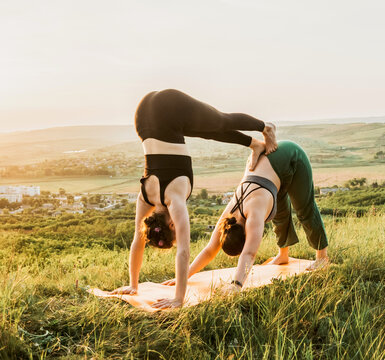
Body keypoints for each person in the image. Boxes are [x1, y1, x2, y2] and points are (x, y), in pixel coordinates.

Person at [109, 89, 277, 309]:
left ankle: (266, 127)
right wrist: (133, 285)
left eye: (175, 234)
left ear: (171, 224)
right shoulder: (146, 195)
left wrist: (179, 298)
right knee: (208, 130)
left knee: (220, 121)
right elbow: (138, 240)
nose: (179, 235)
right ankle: (254, 144)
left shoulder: (174, 199)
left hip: (168, 105)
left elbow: (184, 251)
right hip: (143, 117)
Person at [162, 140, 329, 293]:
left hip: (291, 157)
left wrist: (236, 284)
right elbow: (209, 250)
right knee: (280, 215)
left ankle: (322, 257)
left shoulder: (254, 213)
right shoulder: (228, 216)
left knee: (304, 209)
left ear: (246, 234)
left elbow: (249, 253)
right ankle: (283, 255)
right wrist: (184, 276)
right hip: (269, 172)